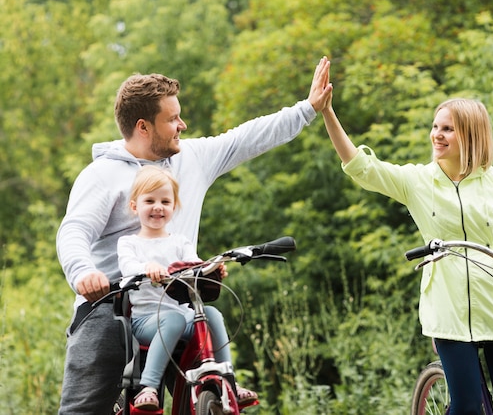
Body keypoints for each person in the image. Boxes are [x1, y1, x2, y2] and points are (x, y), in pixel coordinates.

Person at [56, 56, 332, 414]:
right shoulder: (102, 175)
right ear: (143, 126)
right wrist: (83, 273)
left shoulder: (191, 158)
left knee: (210, 375)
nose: (182, 125)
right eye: (171, 119)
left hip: (177, 299)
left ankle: (222, 386)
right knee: (83, 408)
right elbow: (74, 230)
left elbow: (247, 138)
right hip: (111, 304)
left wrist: (307, 109)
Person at [321, 85, 493, 414]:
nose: (437, 135)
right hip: (448, 311)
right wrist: (328, 111)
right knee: (468, 406)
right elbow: (361, 166)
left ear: (470, 135)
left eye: (447, 129)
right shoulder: (418, 181)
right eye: (435, 127)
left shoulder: (492, 180)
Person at [116, 165, 252, 410]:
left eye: (165, 201)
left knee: (212, 314)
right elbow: (128, 267)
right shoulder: (129, 243)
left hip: (183, 316)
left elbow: (195, 265)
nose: (158, 206)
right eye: (150, 200)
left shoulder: (180, 242)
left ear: (174, 207)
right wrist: (148, 268)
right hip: (146, 320)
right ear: (135, 206)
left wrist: (213, 270)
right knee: (173, 320)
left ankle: (228, 379)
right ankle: (149, 386)